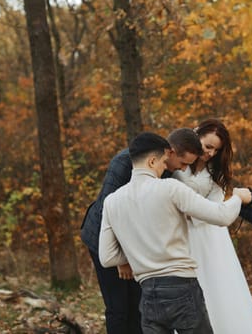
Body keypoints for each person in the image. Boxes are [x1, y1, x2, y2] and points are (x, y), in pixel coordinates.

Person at [99, 132, 252, 334]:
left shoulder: (111, 201)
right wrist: (238, 198)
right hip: (181, 288)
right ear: (152, 161)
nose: (166, 168)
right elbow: (221, 216)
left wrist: (139, 253)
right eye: (163, 162)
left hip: (147, 295)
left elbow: (107, 257)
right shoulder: (171, 188)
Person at [80, 128, 203, 334]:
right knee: (118, 308)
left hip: (136, 245)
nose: (183, 169)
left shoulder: (167, 170)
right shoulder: (124, 163)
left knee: (139, 306)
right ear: (169, 153)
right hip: (104, 240)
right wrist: (123, 259)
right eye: (183, 163)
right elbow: (106, 211)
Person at [172, 119, 252, 333]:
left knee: (218, 288)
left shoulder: (216, 170)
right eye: (208, 146)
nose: (211, 153)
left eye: (216, 149)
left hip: (210, 234)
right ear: (196, 137)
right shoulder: (176, 160)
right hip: (180, 233)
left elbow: (216, 206)